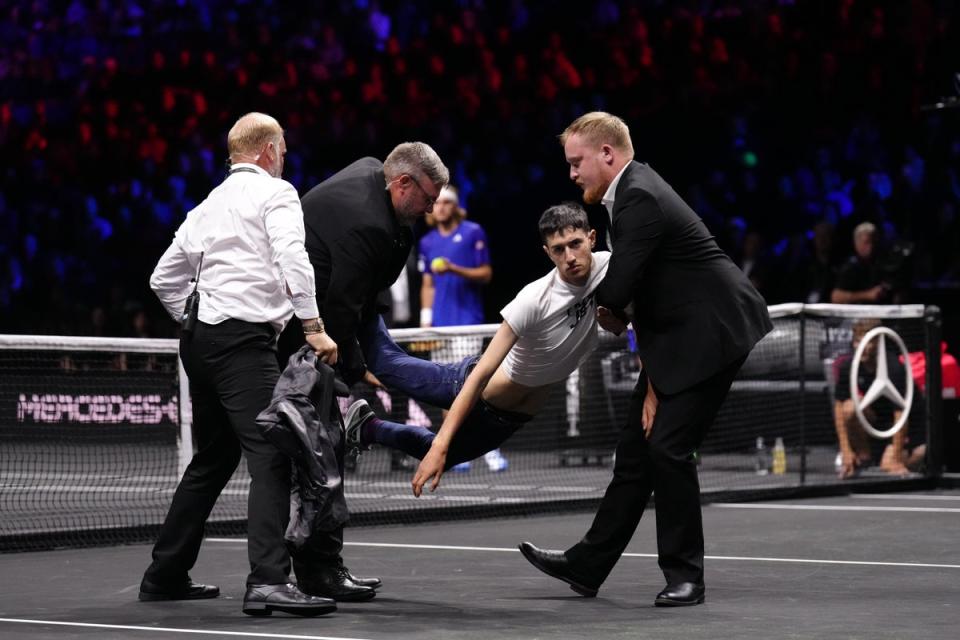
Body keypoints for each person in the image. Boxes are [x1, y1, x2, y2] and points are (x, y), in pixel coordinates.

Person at [519, 112, 772, 608]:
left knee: (668, 449)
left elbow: (617, 289)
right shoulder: (632, 193)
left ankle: (685, 576)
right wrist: (648, 370)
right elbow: (640, 296)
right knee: (636, 450)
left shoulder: (638, 197)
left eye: (577, 163)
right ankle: (588, 564)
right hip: (680, 337)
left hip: (714, 334)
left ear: (606, 154)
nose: (572, 175)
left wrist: (610, 308)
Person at [142, 112, 338, 617]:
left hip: (200, 343)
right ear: (269, 151)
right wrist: (313, 326)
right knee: (274, 455)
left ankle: (164, 575)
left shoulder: (208, 204)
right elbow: (293, 255)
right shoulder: (277, 193)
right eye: (284, 150)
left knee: (212, 459)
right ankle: (269, 580)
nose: (285, 158)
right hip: (242, 346)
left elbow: (163, 280)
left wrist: (199, 316)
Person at [277, 141, 449, 602]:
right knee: (321, 460)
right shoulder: (369, 225)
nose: (431, 209)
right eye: (427, 199)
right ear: (402, 183)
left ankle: (170, 569)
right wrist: (354, 374)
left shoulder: (375, 170)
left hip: (318, 317)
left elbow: (355, 302)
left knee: (313, 455)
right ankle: (319, 573)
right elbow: (341, 310)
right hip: (306, 336)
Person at [343, 203, 610, 484]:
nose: (569, 256)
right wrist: (442, 441)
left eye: (575, 244)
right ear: (547, 253)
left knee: (433, 455)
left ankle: (367, 427)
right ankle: (362, 284)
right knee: (385, 365)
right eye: (559, 249)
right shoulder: (533, 300)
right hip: (468, 384)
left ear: (591, 238)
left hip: (509, 420)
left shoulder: (608, 269)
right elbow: (481, 374)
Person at [417, 185, 506, 472]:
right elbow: (427, 283)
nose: (440, 207)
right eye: (437, 202)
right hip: (438, 327)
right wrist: (425, 319)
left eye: (446, 202)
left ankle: (489, 447)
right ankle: (454, 448)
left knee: (473, 386)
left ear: (455, 206)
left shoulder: (472, 233)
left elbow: (486, 274)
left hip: (468, 323)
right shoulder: (427, 242)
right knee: (446, 390)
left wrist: (454, 269)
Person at [832, 318, 925, 479]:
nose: (862, 348)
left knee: (896, 464)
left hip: (906, 429)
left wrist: (895, 457)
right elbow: (839, 408)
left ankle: (898, 457)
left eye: (867, 342)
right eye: (857, 342)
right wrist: (846, 450)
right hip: (875, 426)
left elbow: (900, 417)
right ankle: (865, 457)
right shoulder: (849, 366)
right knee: (849, 407)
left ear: (877, 342)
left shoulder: (894, 368)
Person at [830, 222, 892, 304]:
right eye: (866, 242)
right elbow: (836, 297)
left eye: (874, 242)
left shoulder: (884, 263)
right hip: (856, 314)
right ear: (856, 243)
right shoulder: (851, 266)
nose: (871, 246)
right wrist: (867, 295)